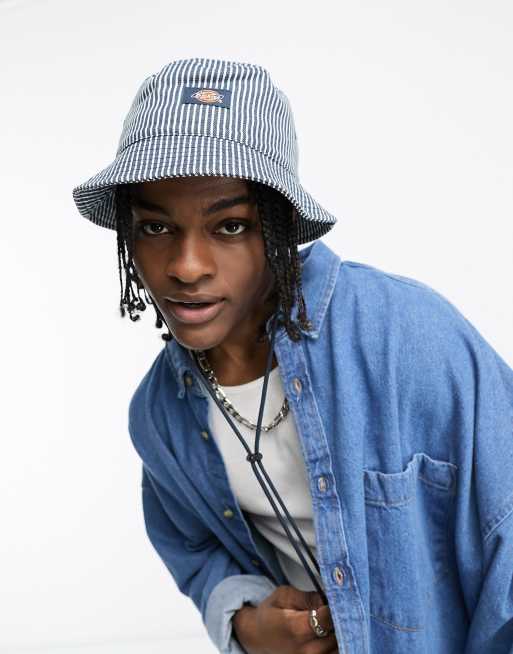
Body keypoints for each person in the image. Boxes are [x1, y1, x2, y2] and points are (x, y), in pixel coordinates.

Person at [72, 58, 513, 654]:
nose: (187, 267)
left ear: (278, 230)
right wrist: (246, 624)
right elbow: (194, 550)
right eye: (155, 229)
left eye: (230, 227)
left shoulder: (406, 337)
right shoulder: (159, 415)